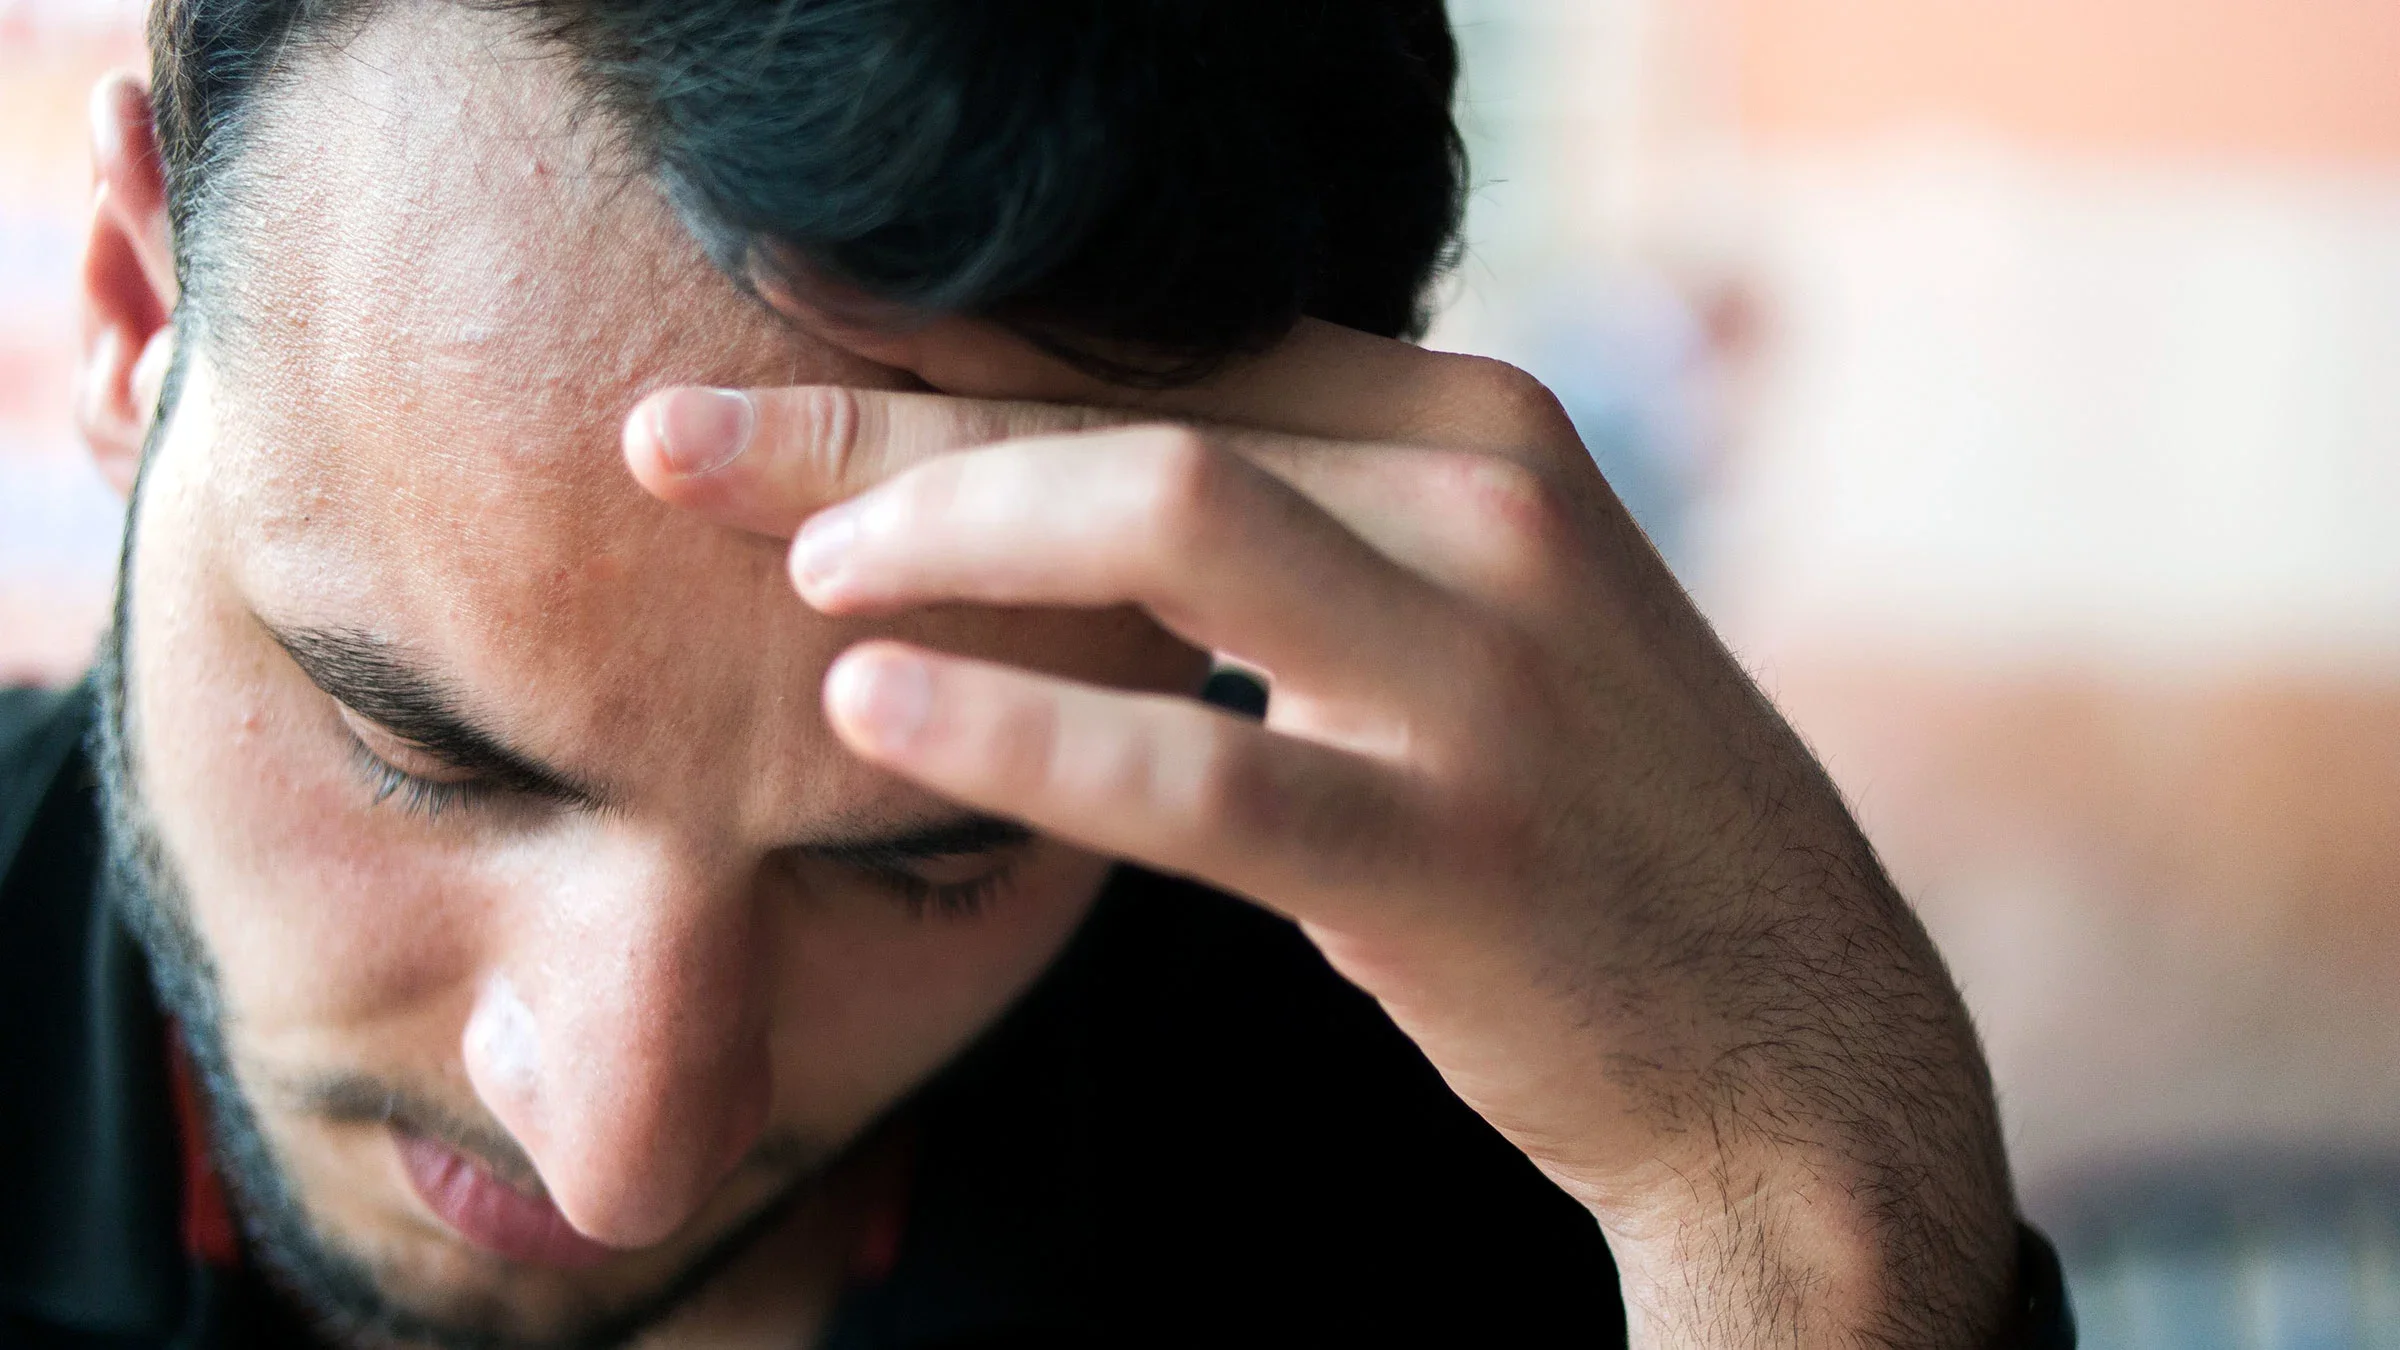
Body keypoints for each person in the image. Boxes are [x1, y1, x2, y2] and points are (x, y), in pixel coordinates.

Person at [3, 0, 2071, 1344]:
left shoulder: (1492, 1194)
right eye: (424, 757)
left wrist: (1806, 1216)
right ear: (125, 315)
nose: (619, 1151)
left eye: (926, 867)